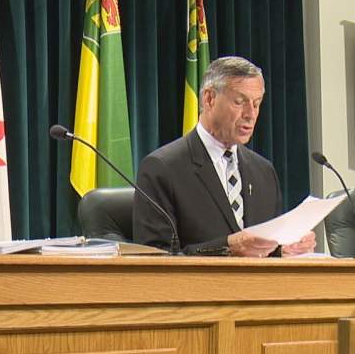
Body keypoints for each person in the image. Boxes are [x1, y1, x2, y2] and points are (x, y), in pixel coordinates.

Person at [132, 56, 315, 257]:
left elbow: (266, 250)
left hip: (259, 288)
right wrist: (228, 247)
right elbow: (156, 260)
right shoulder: (162, 168)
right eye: (240, 102)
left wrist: (286, 249)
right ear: (209, 99)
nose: (251, 114)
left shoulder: (263, 171)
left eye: (257, 103)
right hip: (199, 287)